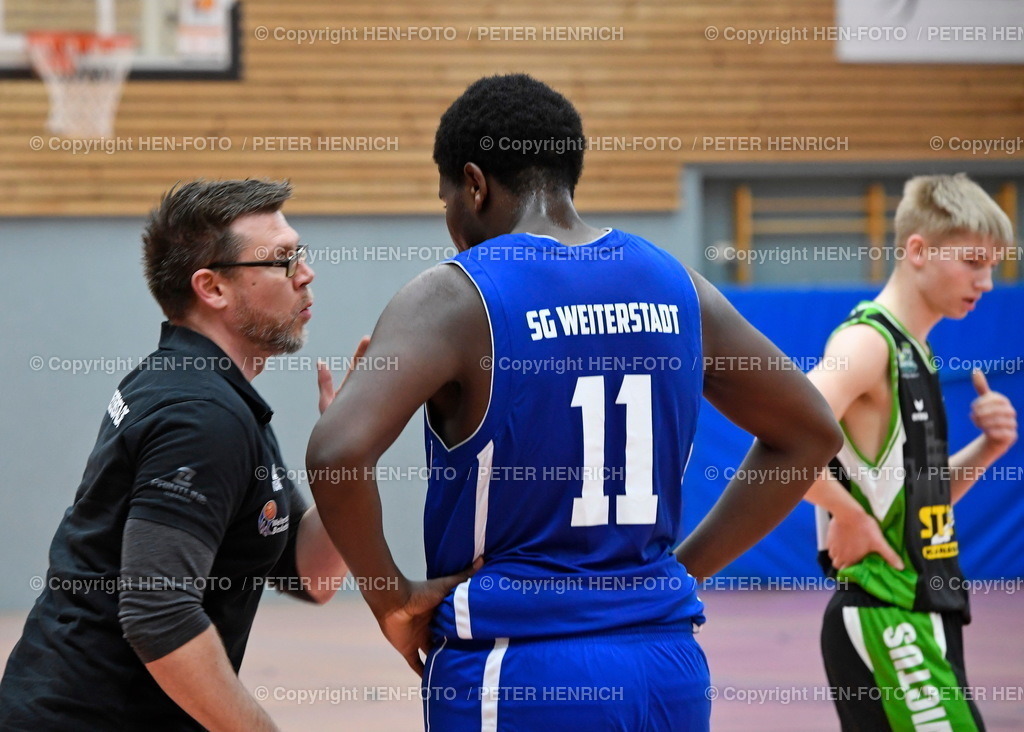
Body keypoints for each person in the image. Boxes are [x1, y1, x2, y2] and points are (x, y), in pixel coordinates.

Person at [306, 73, 842, 731]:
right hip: (667, 667)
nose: (450, 220)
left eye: (446, 198)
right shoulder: (676, 285)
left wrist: (392, 601)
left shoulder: (456, 296)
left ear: (473, 184)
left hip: (520, 667)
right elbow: (812, 432)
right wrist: (682, 572)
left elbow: (336, 453)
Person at [0, 179, 354, 731]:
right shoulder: (201, 415)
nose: (305, 274)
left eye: (300, 254)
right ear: (212, 287)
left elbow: (311, 576)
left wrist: (347, 460)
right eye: (283, 259)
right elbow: (158, 612)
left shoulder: (210, 392)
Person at [805, 173, 1018, 731]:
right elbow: (777, 438)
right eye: (974, 261)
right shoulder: (867, 344)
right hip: (887, 615)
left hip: (921, 612)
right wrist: (845, 514)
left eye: (993, 265)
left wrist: (991, 447)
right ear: (918, 250)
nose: (987, 281)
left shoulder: (915, 350)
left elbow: (918, 497)